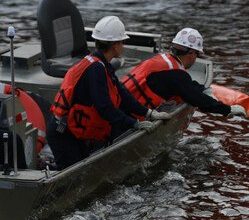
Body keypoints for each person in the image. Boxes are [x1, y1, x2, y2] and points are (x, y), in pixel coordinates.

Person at [47, 16, 171, 170]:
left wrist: (149, 113)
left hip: (73, 132)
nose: (123, 45)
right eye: (122, 41)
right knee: (71, 178)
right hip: (63, 134)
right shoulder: (96, 69)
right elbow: (104, 107)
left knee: (83, 172)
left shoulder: (101, 64)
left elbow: (123, 95)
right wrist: (134, 124)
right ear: (114, 45)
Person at [121, 28, 247, 118]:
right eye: (197, 54)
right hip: (128, 117)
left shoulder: (162, 60)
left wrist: (202, 88)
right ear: (192, 53)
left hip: (119, 105)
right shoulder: (177, 73)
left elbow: (185, 85)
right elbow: (199, 100)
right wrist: (228, 109)